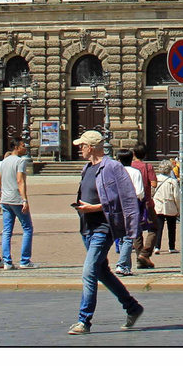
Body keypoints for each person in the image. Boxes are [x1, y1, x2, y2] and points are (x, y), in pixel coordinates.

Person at [69, 130, 144, 335]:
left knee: (89, 271)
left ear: (91, 147)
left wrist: (131, 228)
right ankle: (132, 307)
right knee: (102, 272)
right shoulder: (87, 167)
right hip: (87, 228)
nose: (80, 149)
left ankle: (84, 321)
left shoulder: (113, 167)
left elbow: (127, 199)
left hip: (104, 228)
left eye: (82, 145)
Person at [0, 141, 34, 269]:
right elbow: (20, 180)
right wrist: (24, 199)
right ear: (17, 147)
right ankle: (25, 260)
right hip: (16, 199)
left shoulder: (4, 161)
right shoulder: (20, 161)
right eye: (23, 146)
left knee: (7, 230)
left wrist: (4, 191)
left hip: (5, 199)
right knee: (27, 228)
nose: (25, 148)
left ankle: (7, 261)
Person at [112, 150, 144, 275]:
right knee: (129, 237)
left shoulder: (115, 172)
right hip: (130, 205)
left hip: (117, 206)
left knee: (122, 236)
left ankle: (126, 266)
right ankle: (122, 264)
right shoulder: (136, 172)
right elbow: (140, 192)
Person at [152, 160, 180, 256]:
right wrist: (179, 209)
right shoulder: (173, 181)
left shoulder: (156, 179)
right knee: (171, 228)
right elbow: (177, 196)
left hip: (158, 206)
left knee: (158, 228)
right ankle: (171, 247)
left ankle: (157, 247)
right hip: (170, 206)